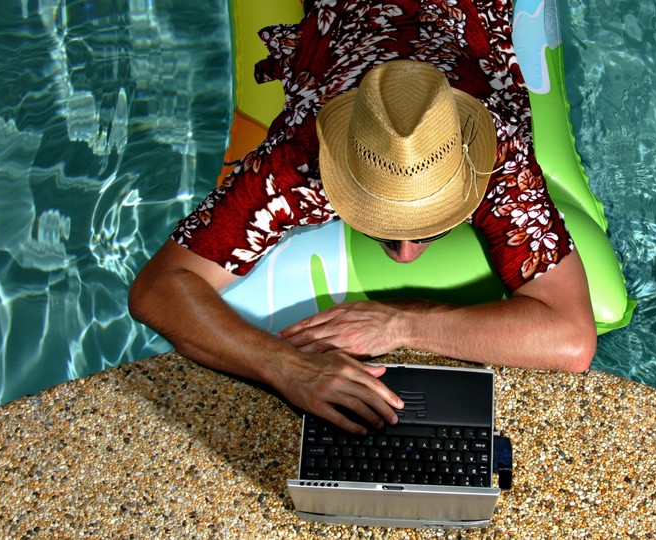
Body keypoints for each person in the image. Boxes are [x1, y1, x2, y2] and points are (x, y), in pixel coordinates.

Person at [129, 0, 596, 435]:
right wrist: (286, 368)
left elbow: (572, 341)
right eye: (381, 228)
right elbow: (157, 289)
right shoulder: (300, 160)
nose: (407, 256)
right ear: (340, 178)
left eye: (435, 227)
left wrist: (402, 324)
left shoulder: (495, 156)